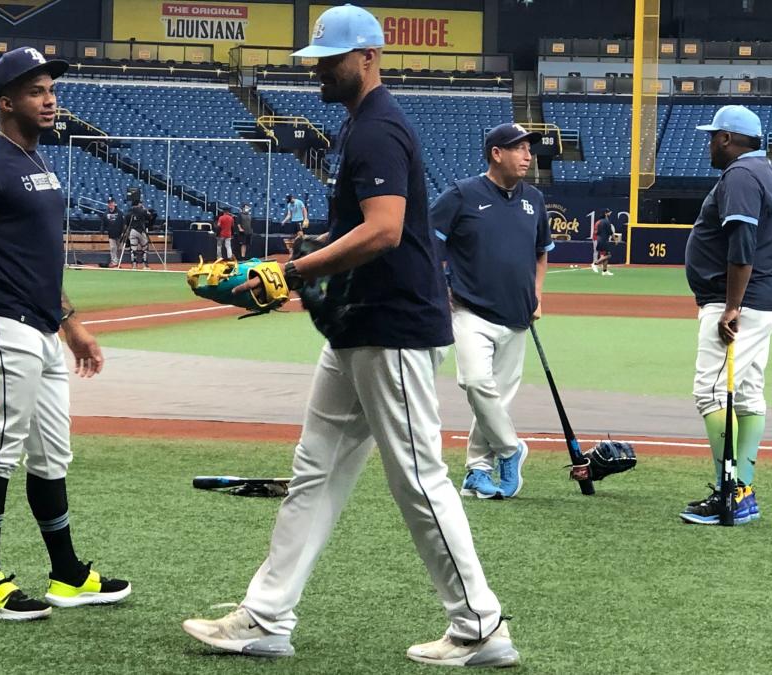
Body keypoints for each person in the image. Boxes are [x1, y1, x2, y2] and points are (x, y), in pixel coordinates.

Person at [180, 5, 517, 667]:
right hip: (358, 326)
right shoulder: (361, 127)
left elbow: (387, 228)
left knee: (419, 480)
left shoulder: (379, 130)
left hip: (390, 328)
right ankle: (266, 615)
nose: (318, 72)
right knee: (314, 472)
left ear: (367, 57)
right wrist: (290, 274)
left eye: (328, 60)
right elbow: (363, 232)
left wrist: (291, 269)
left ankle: (480, 625)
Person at [0, 47, 131, 622]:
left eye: (50, 90)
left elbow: (38, 262)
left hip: (43, 331)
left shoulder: (38, 164)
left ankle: (68, 574)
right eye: (34, 92)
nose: (48, 100)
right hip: (1, 328)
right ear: (4, 103)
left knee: (51, 455)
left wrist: (71, 324)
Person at [430, 123, 553, 500]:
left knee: (495, 399)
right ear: (496, 153)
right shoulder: (461, 195)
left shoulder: (533, 198)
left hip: (517, 317)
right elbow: (430, 244)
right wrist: (438, 289)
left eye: (529, 149)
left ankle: (477, 471)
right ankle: (511, 449)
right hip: (470, 310)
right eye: (519, 148)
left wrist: (536, 294)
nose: (528, 156)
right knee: (476, 382)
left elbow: (541, 251)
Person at [679, 105, 772, 525]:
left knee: (710, 392)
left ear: (727, 138)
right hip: (763, 296)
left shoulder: (741, 176)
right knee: (746, 393)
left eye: (713, 136)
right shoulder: (767, 171)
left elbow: (742, 241)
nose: (709, 144)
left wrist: (731, 305)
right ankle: (742, 490)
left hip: (742, 302)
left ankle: (731, 492)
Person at [126, 200, 152, 269]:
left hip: (132, 231)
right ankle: (144, 265)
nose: (141, 204)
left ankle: (134, 265)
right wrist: (145, 210)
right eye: (140, 203)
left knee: (133, 249)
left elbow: (126, 222)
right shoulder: (142, 210)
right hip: (141, 231)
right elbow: (150, 216)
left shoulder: (129, 212)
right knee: (145, 248)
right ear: (138, 204)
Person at [592, 208, 617, 275]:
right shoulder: (606, 222)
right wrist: (615, 240)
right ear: (605, 213)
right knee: (608, 255)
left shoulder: (599, 221)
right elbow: (611, 232)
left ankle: (604, 271)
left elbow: (596, 232)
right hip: (603, 240)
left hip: (600, 239)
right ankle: (595, 263)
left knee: (606, 255)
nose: (610, 214)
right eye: (609, 213)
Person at [101, 197, 124, 267]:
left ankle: (118, 261)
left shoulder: (120, 213)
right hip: (111, 235)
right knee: (113, 248)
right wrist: (102, 232)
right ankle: (114, 262)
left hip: (120, 234)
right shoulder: (105, 214)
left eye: (111, 203)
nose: (110, 204)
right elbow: (103, 224)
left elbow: (123, 223)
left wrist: (123, 232)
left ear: (114, 203)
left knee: (120, 249)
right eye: (109, 203)